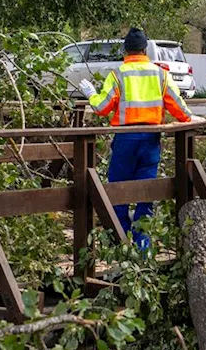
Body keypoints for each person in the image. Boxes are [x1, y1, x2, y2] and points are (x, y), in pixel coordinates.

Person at [79, 27, 193, 251]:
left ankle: (119, 241)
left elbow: (102, 108)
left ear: (125, 51)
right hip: (151, 140)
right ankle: (143, 246)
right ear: (145, 50)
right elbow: (180, 108)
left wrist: (91, 94)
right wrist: (187, 118)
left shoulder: (118, 74)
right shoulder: (160, 74)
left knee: (118, 188)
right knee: (146, 190)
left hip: (125, 139)